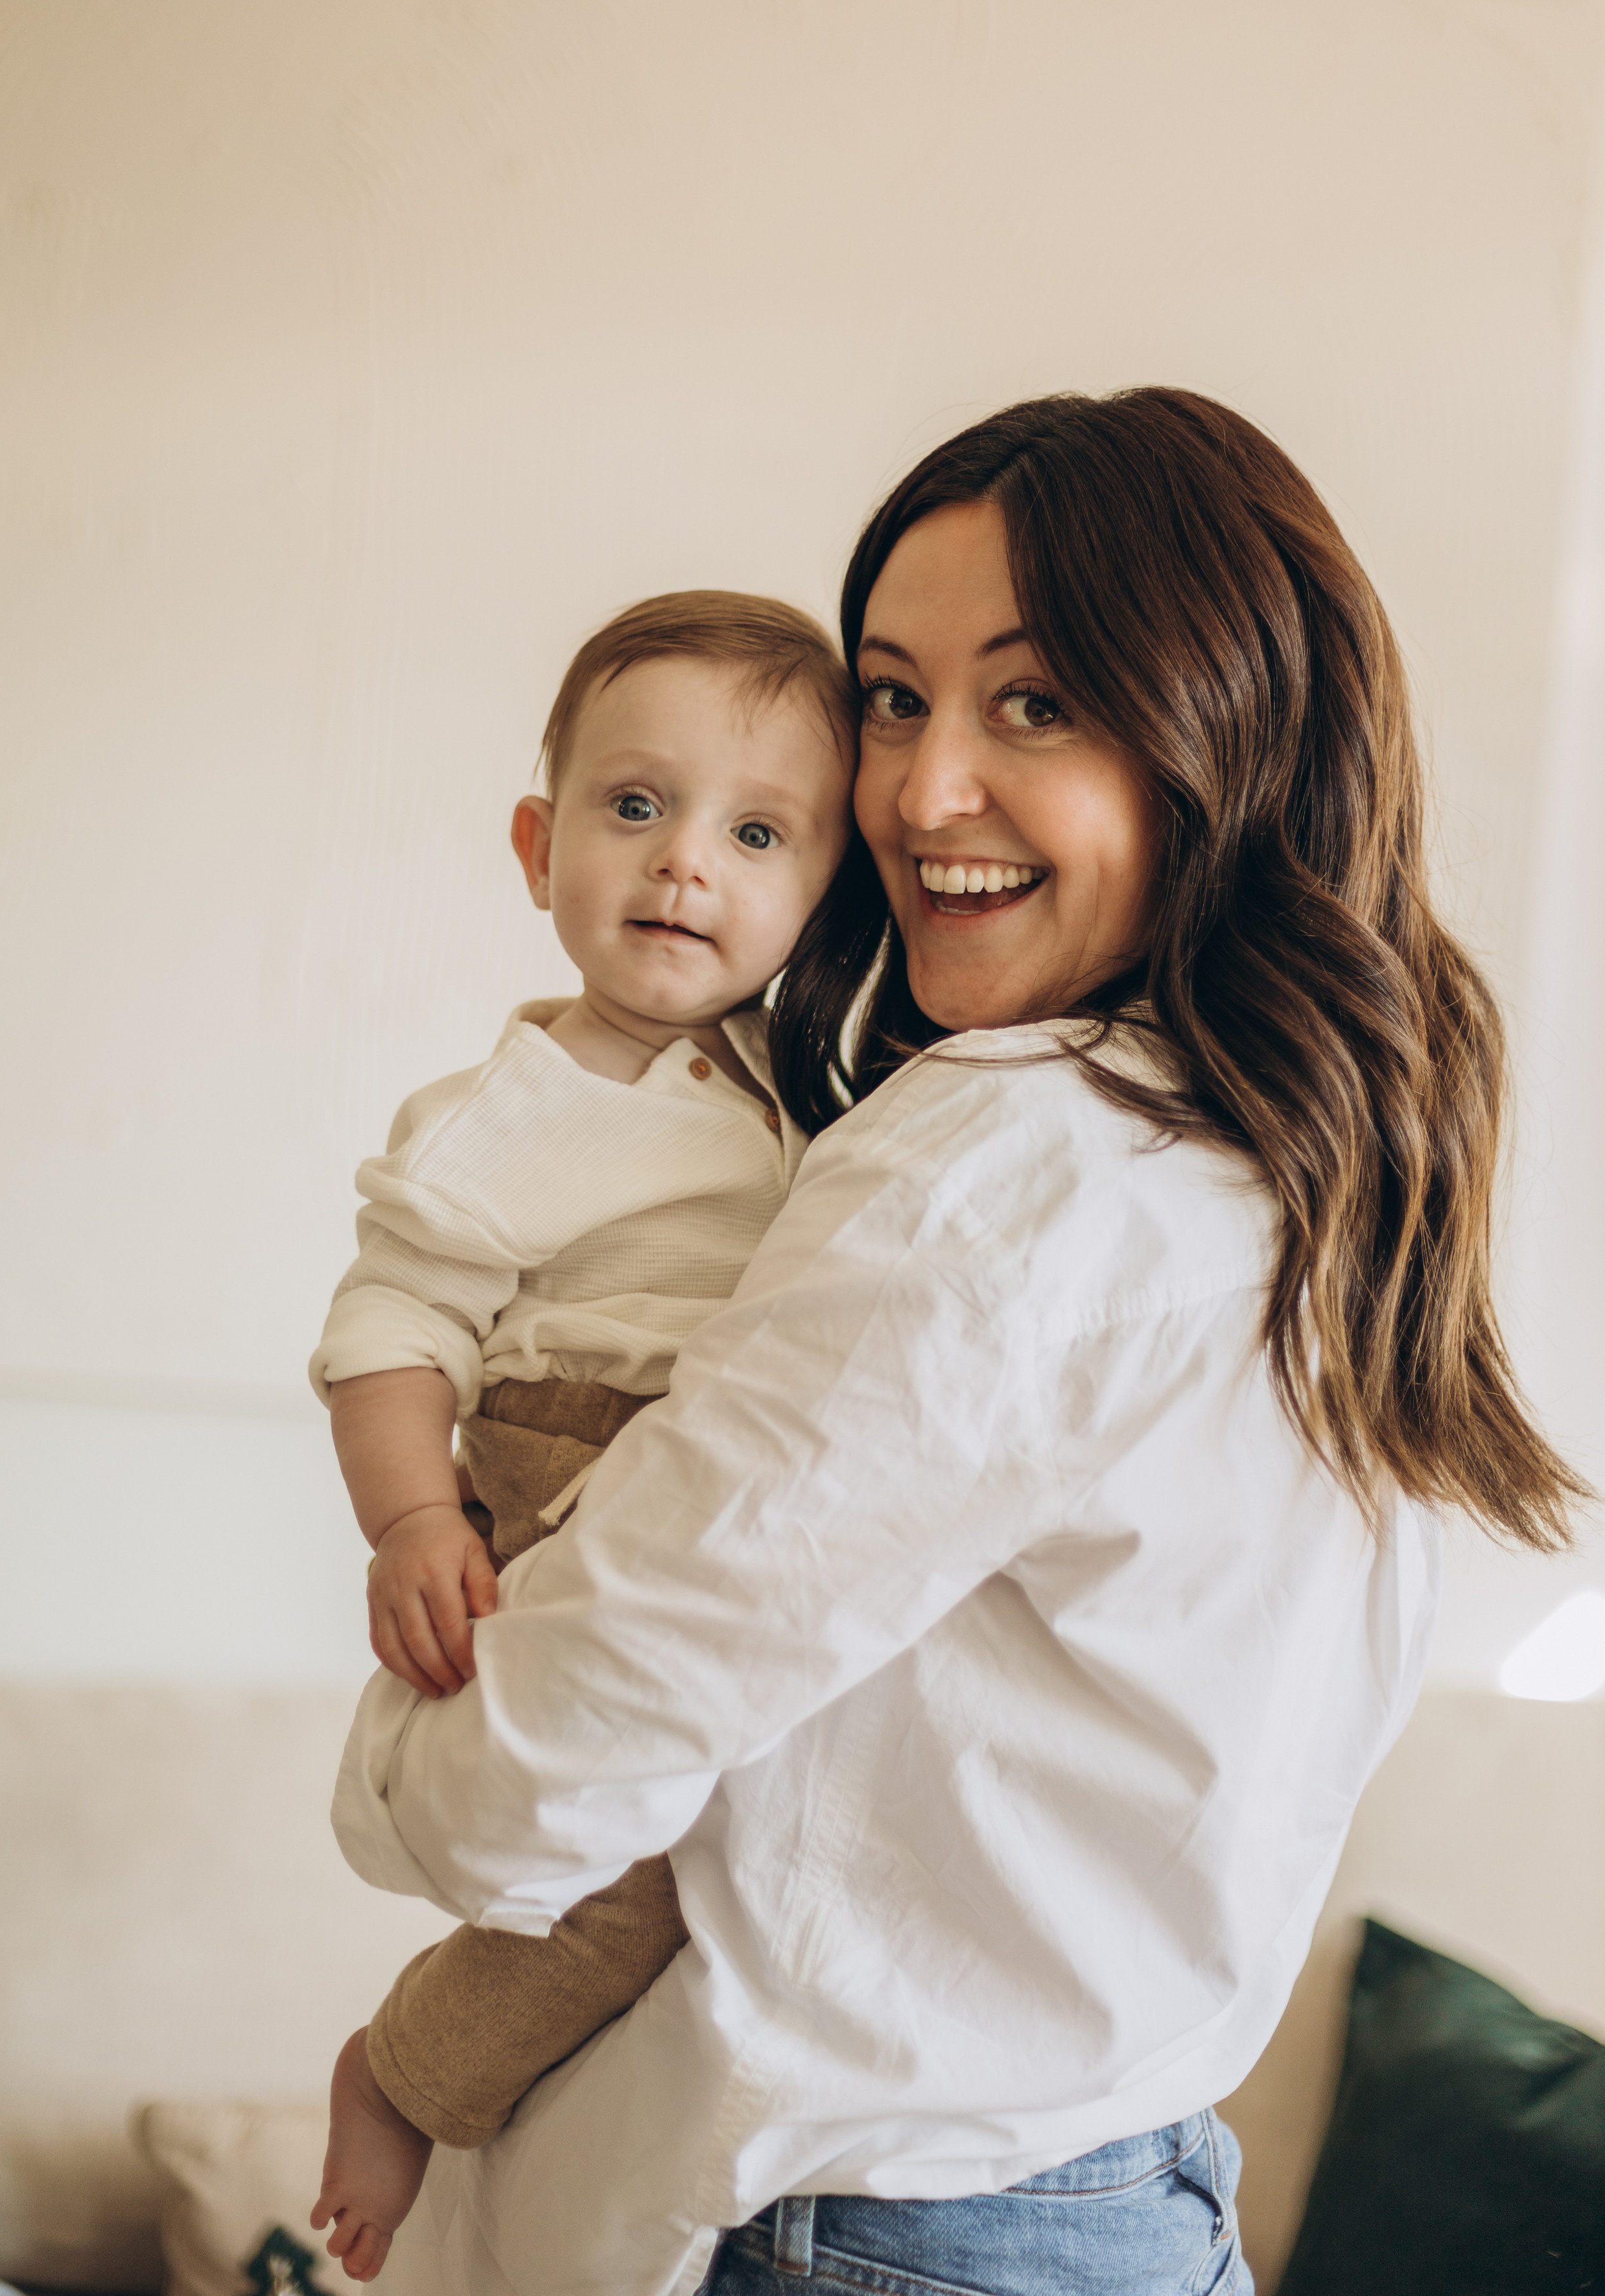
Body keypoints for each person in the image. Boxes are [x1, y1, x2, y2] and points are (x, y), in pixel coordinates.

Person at [327, 390, 1582, 2296]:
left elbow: (536, 1787)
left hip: (876, 2232)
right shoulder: (1325, 1167)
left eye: (1035, 702)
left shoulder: (1009, 1166)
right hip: (1125, 2198)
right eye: (893, 701)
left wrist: (408, 1761)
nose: (917, 795)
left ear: (1224, 735)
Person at [307, 592, 856, 2269]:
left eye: (756, 833)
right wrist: (415, 1522)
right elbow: (391, 1328)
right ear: (541, 847)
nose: (686, 864)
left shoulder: (805, 1082)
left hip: (726, 1465)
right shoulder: (508, 1110)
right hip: (565, 1455)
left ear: (825, 895)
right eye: (637, 808)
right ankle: (405, 2075)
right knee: (631, 1878)